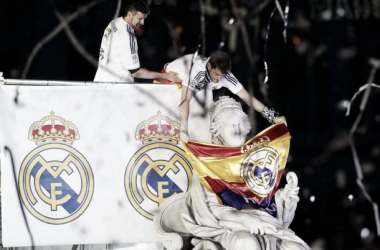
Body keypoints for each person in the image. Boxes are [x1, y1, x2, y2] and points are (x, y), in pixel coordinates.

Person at [154, 96, 310, 250]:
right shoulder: (207, 163)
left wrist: (285, 199)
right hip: (230, 228)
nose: (238, 130)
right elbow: (214, 211)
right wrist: (248, 221)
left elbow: (266, 204)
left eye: (241, 124)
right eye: (231, 125)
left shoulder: (255, 160)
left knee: (295, 247)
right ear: (218, 130)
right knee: (247, 243)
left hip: (266, 226)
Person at [156, 52, 287, 142]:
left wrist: (273, 117)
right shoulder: (198, 72)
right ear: (209, 66)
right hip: (174, 74)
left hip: (199, 85)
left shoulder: (225, 76)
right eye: (217, 75)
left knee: (205, 103)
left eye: (223, 76)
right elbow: (185, 100)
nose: (220, 80)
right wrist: (183, 129)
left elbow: (247, 98)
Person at [94, 0, 180, 83]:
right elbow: (136, 72)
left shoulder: (114, 23)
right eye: (140, 18)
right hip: (117, 89)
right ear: (130, 14)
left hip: (100, 81)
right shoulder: (127, 36)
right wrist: (166, 76)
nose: (142, 22)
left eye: (144, 19)